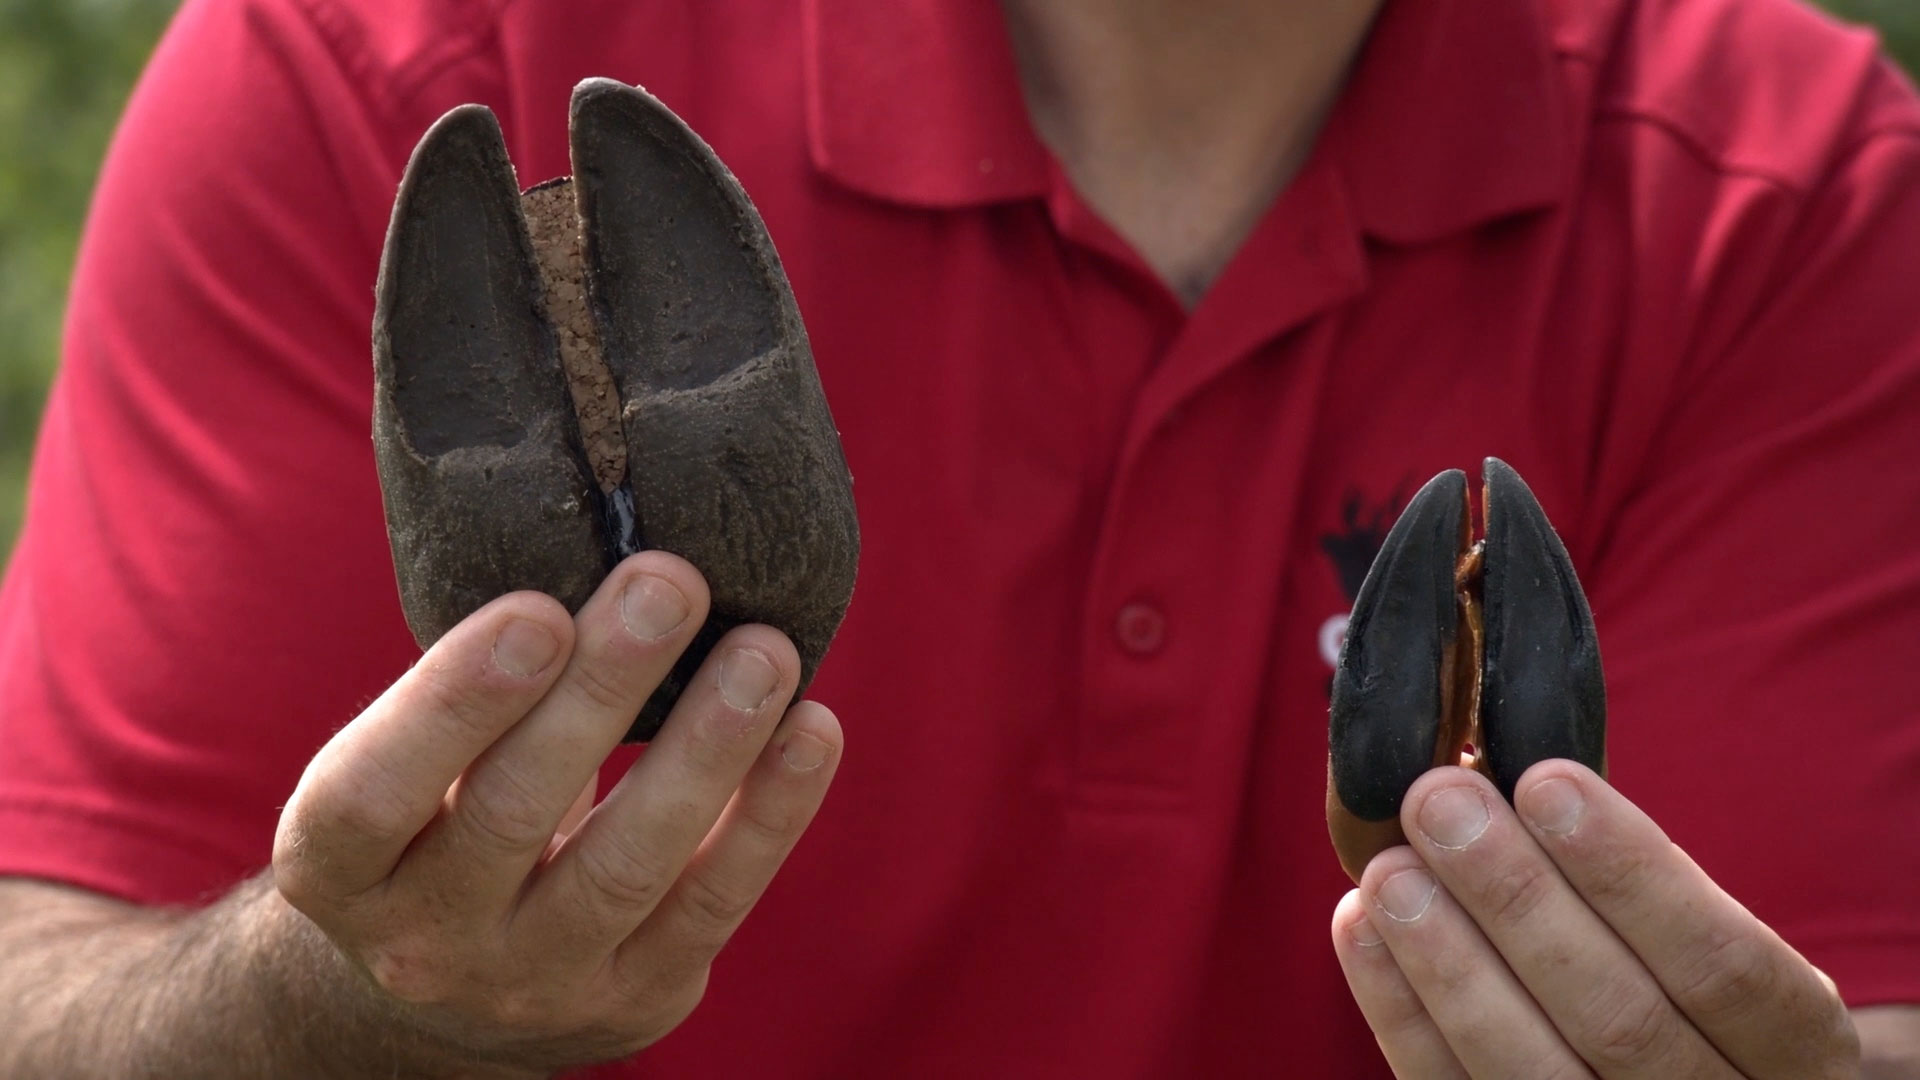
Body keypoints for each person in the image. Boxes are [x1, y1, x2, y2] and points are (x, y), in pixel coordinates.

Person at [0, 0, 1916, 1075]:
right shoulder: (358, 60)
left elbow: (1865, 1009)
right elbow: (39, 984)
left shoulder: (1806, 195)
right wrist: (333, 1010)